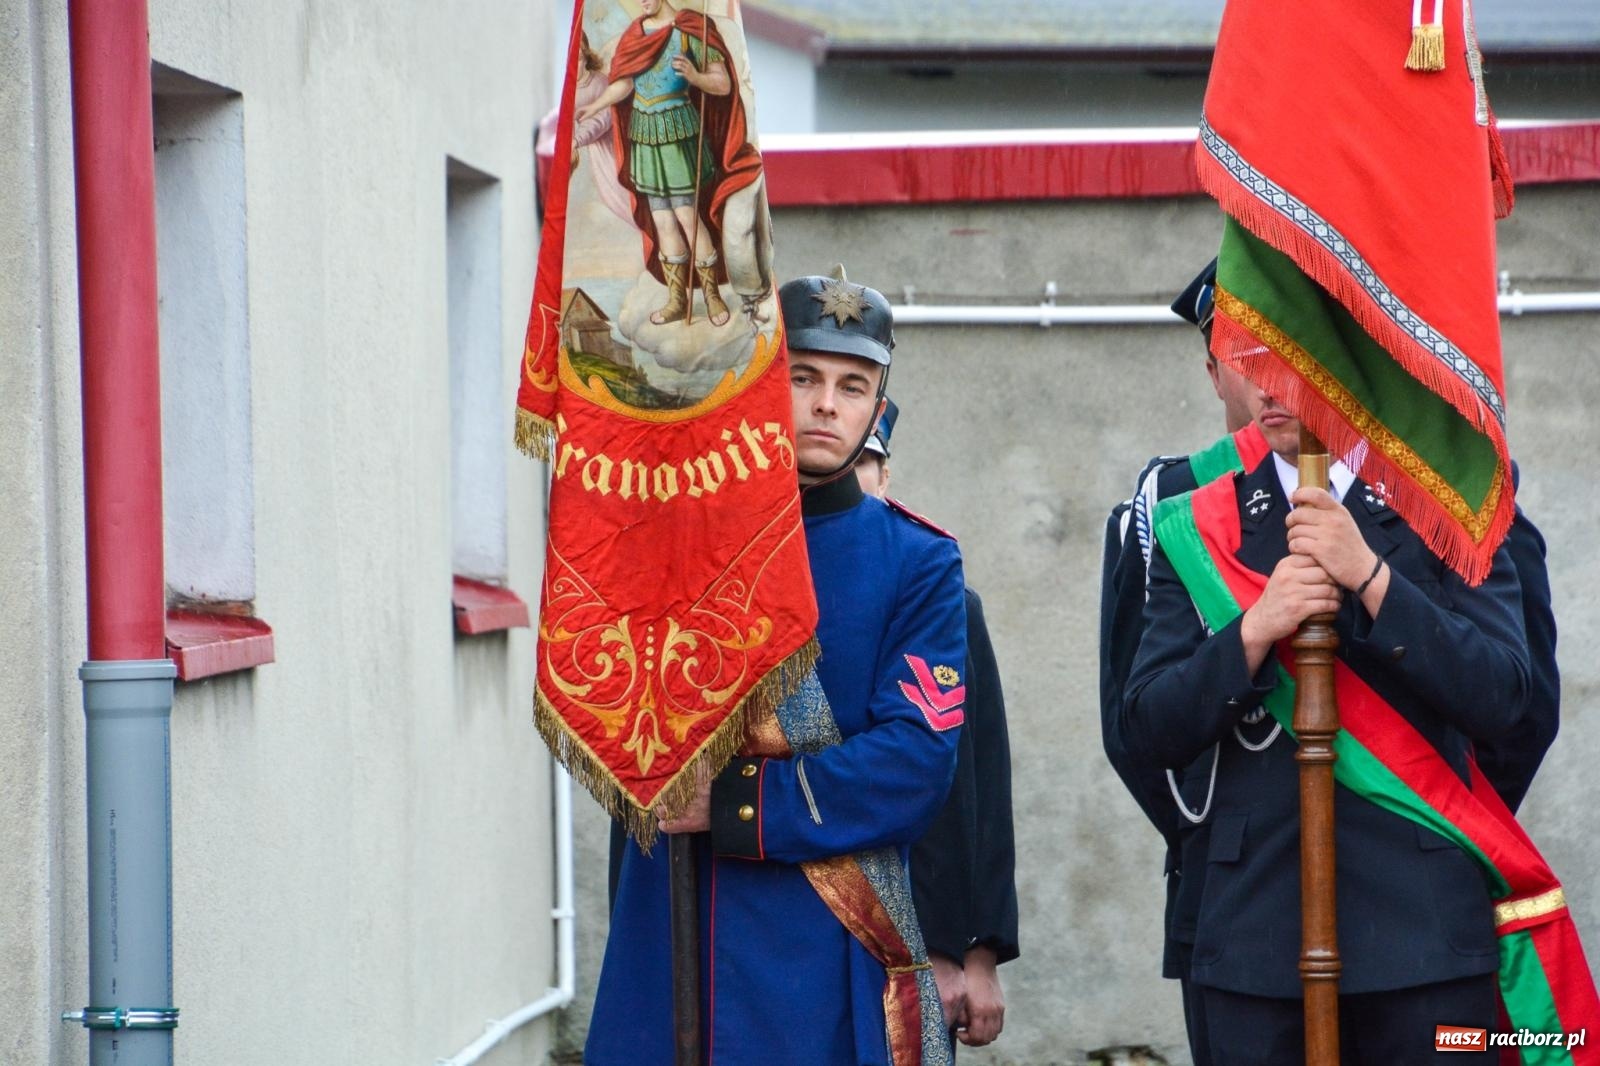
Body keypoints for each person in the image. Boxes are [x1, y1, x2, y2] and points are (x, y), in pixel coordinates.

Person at [1120, 318, 1534, 1062]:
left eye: (1295, 353)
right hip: (1255, 932)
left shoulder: (1446, 504)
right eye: (1250, 356)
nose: (1268, 382)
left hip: (1422, 929)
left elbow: (1505, 698)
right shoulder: (1200, 520)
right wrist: (1254, 631)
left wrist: (1371, 579)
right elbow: (1146, 729)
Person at [587, 272, 968, 1066]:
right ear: (763, 386)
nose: (827, 404)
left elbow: (913, 763)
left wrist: (735, 806)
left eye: (852, 386)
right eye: (804, 378)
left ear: (876, 410)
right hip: (675, 928)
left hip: (824, 941)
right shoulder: (674, 539)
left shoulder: (917, 562)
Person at [856, 403, 1020, 1050]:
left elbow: (980, 786)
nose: (851, 475)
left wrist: (971, 950)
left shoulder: (941, 598)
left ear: (885, 477)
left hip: (925, 937)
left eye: (867, 461)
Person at [577, 0, 762, 327]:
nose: (642, 2)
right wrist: (596, 106)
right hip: (645, 136)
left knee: (687, 216)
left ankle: (712, 296)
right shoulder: (635, 34)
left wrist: (695, 76)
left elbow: (723, 84)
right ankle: (677, 299)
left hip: (677, 132)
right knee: (662, 220)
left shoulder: (691, 30)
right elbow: (626, 83)